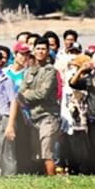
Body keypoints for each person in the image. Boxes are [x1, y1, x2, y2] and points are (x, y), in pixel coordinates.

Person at [19, 39, 61, 176]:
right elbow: (20, 92)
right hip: (34, 117)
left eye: (43, 49)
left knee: (47, 153)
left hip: (48, 116)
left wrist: (27, 94)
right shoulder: (29, 71)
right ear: (33, 51)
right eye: (38, 48)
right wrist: (26, 94)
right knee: (36, 154)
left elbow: (43, 93)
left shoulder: (51, 71)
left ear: (48, 52)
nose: (40, 51)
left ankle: (52, 182)